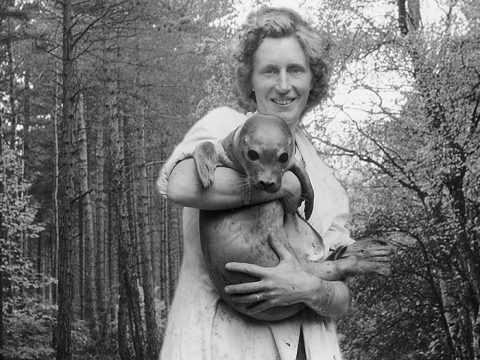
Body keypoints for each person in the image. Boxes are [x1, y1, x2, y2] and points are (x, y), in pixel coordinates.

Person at [157, 6, 355, 360]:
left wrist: (310, 289)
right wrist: (282, 187)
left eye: (295, 69)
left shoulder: (326, 181)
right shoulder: (224, 126)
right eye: (269, 71)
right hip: (222, 346)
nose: (283, 84)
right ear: (250, 79)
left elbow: (341, 296)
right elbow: (181, 185)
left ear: (312, 78)